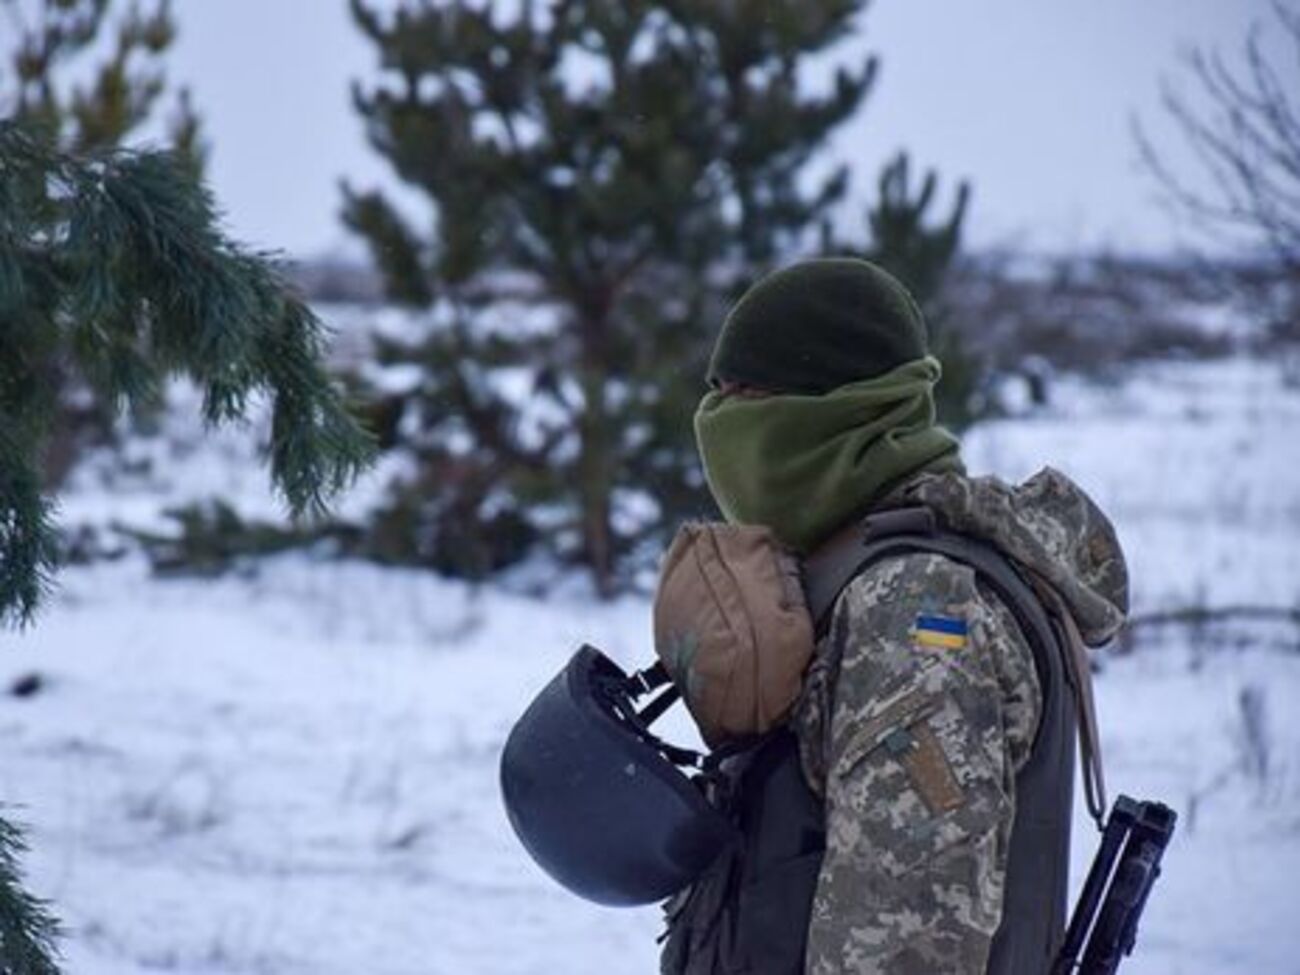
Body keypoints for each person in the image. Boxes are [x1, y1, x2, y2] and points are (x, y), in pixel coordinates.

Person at [672, 257, 1128, 974]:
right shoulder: (856, 562)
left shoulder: (916, 606)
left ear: (833, 408)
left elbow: (906, 939)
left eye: (747, 397)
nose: (720, 426)